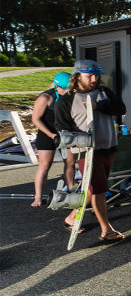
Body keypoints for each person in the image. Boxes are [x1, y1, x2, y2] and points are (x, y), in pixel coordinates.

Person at [54, 60, 126, 242]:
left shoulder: (104, 92)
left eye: (96, 75)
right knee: (100, 189)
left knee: (93, 190)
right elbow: (62, 128)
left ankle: (71, 217)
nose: (94, 79)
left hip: (108, 146)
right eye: (89, 76)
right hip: (87, 153)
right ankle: (106, 230)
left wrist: (98, 106)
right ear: (77, 76)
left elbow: (120, 108)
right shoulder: (66, 100)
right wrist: (80, 140)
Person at [30, 72, 77, 206]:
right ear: (58, 87)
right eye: (67, 89)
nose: (69, 92)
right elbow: (35, 119)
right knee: (44, 165)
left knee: (70, 162)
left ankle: (71, 190)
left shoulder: (70, 96)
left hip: (65, 132)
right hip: (47, 133)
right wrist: (51, 135)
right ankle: (38, 197)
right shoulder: (45, 97)